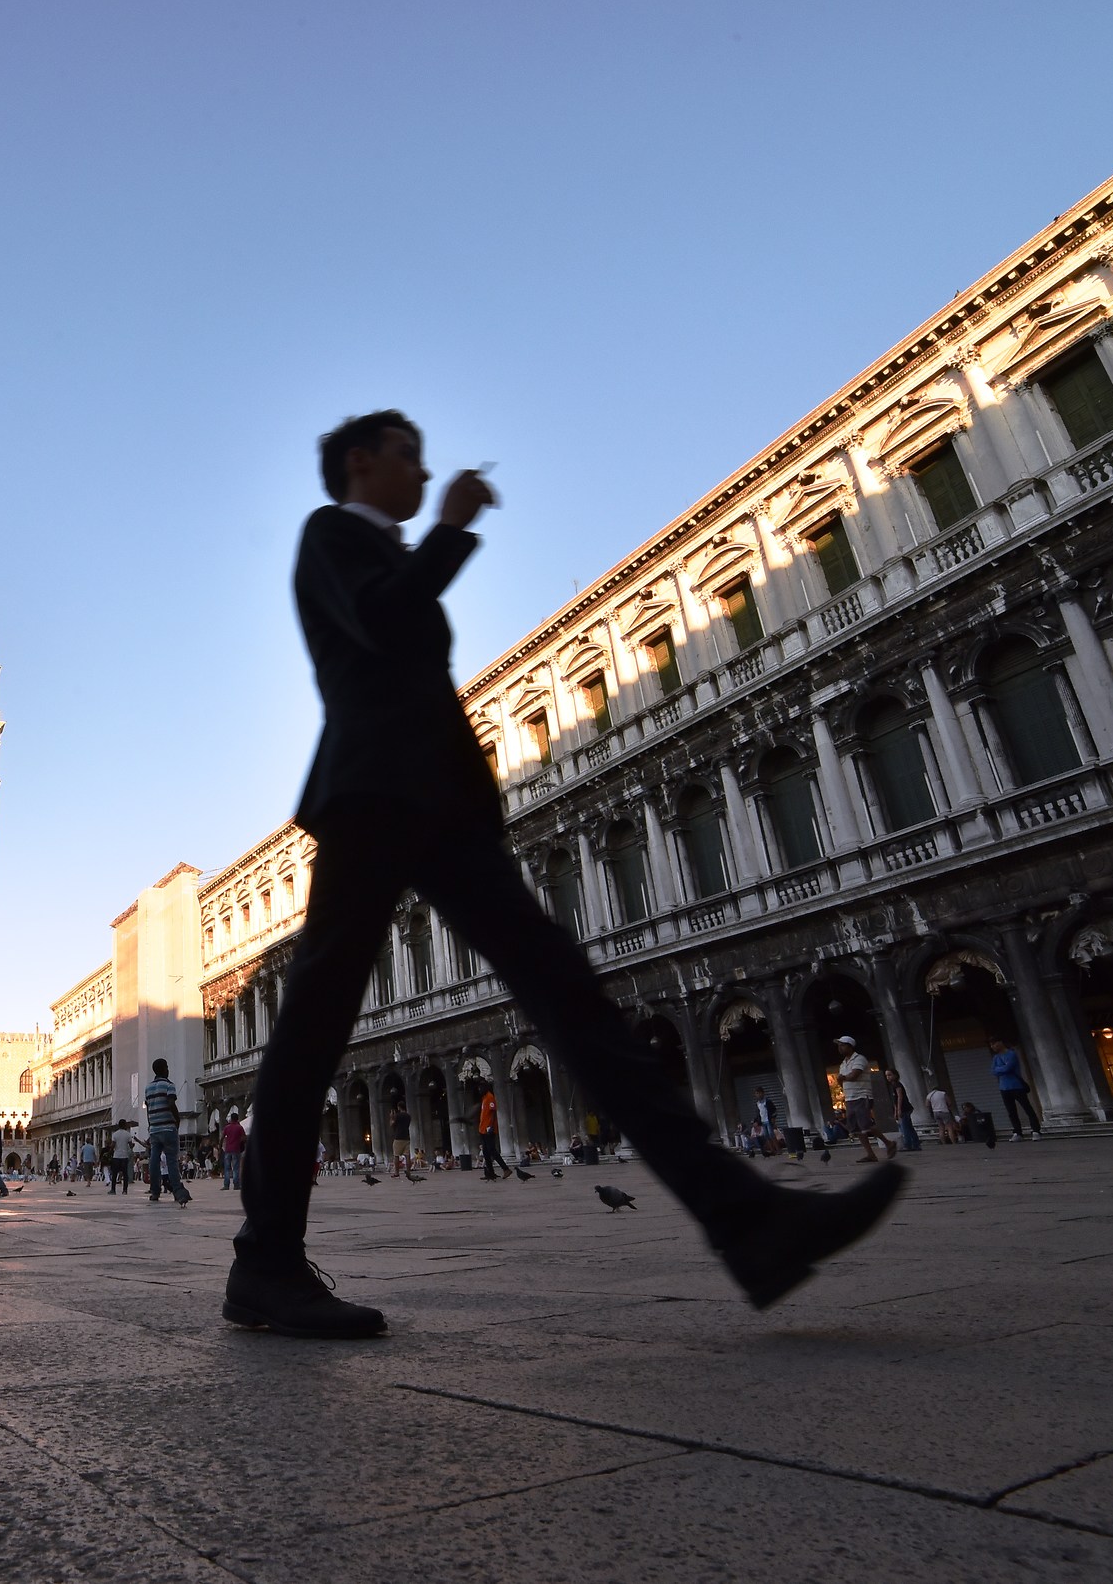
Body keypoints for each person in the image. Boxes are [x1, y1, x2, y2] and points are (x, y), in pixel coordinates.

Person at [226, 412, 900, 1337]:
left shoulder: (380, 546)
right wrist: (455, 530)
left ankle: (749, 1220)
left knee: (570, 1000)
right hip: (376, 794)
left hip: (437, 806)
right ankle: (264, 1264)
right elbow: (384, 631)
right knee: (315, 1025)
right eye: (408, 457)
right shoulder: (332, 533)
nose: (424, 473)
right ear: (359, 462)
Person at [835, 1039, 893, 1163]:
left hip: (861, 1095)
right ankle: (870, 1154)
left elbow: (854, 1075)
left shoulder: (859, 1059)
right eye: (839, 1046)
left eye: (842, 1045)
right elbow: (840, 1081)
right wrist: (842, 1079)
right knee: (856, 1128)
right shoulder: (843, 1064)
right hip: (850, 1097)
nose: (840, 1048)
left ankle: (888, 1143)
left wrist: (843, 1078)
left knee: (866, 1124)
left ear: (850, 1046)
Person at [143, 1059, 192, 1206]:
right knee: (171, 1160)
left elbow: (148, 1108)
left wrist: (150, 1124)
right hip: (168, 1127)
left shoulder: (148, 1088)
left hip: (154, 1128)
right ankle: (177, 1191)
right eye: (167, 1067)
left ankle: (154, 1192)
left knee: (154, 1160)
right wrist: (177, 1120)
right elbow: (171, 1103)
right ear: (164, 1069)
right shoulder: (169, 1085)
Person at [987, 1039, 1042, 1140]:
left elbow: (1009, 1068)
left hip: (1016, 1086)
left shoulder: (1011, 1054)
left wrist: (1000, 1068)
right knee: (1011, 1112)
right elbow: (993, 1071)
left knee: (1027, 1108)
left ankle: (1035, 1130)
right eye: (991, 1045)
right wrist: (1002, 1068)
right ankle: (1017, 1132)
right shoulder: (996, 1057)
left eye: (994, 1044)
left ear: (1000, 1042)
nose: (992, 1047)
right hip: (1004, 1087)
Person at [474, 1084, 505, 1180]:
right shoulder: (484, 1098)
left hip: (488, 1129)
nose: (479, 1090)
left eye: (480, 1088)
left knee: (492, 1150)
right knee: (486, 1152)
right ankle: (490, 1173)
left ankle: (505, 1168)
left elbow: (492, 1113)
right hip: (482, 1129)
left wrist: (490, 1126)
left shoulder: (490, 1097)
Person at [107, 1120, 139, 1195]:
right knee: (125, 1174)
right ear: (124, 1125)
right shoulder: (128, 1134)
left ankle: (113, 1190)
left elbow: (113, 1145)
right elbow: (131, 1146)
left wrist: (110, 1150)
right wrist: (133, 1145)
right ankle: (125, 1190)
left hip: (116, 1156)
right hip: (125, 1156)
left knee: (114, 1174)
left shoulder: (115, 1134)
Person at [220, 1112, 246, 1190]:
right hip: (236, 1149)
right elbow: (244, 1138)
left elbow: (222, 1137)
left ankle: (226, 1185)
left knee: (227, 1168)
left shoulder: (227, 1127)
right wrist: (239, 1141)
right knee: (236, 1167)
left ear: (231, 1119)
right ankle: (236, 1184)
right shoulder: (239, 1127)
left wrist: (220, 1145)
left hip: (228, 1149)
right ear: (237, 1119)